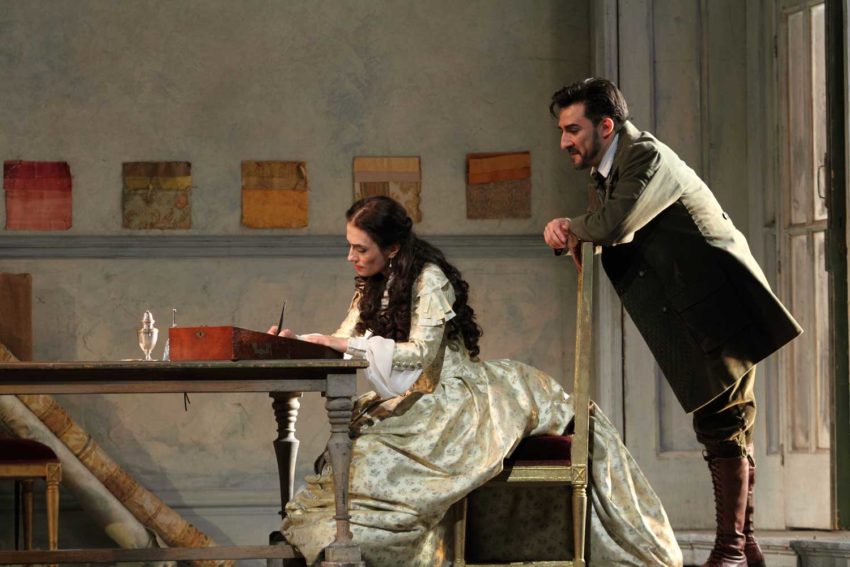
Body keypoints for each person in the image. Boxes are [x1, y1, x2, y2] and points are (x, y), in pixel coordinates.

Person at [273, 195, 682, 566]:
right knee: (356, 449)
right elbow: (342, 339)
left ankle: (373, 545)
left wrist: (340, 343)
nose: (351, 256)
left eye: (360, 248)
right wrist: (299, 342)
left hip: (451, 397)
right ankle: (343, 540)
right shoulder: (372, 285)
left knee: (379, 458)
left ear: (392, 248)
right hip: (412, 400)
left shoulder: (429, 278)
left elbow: (419, 353)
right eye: (350, 246)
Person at [543, 78, 803, 567]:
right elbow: (607, 229)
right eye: (562, 130)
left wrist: (567, 226)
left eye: (572, 129)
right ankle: (745, 547)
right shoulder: (608, 169)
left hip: (717, 300)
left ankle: (730, 550)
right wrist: (575, 230)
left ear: (605, 125)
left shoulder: (643, 156)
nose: (564, 141)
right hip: (693, 304)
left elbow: (615, 225)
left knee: (725, 421)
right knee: (726, 423)